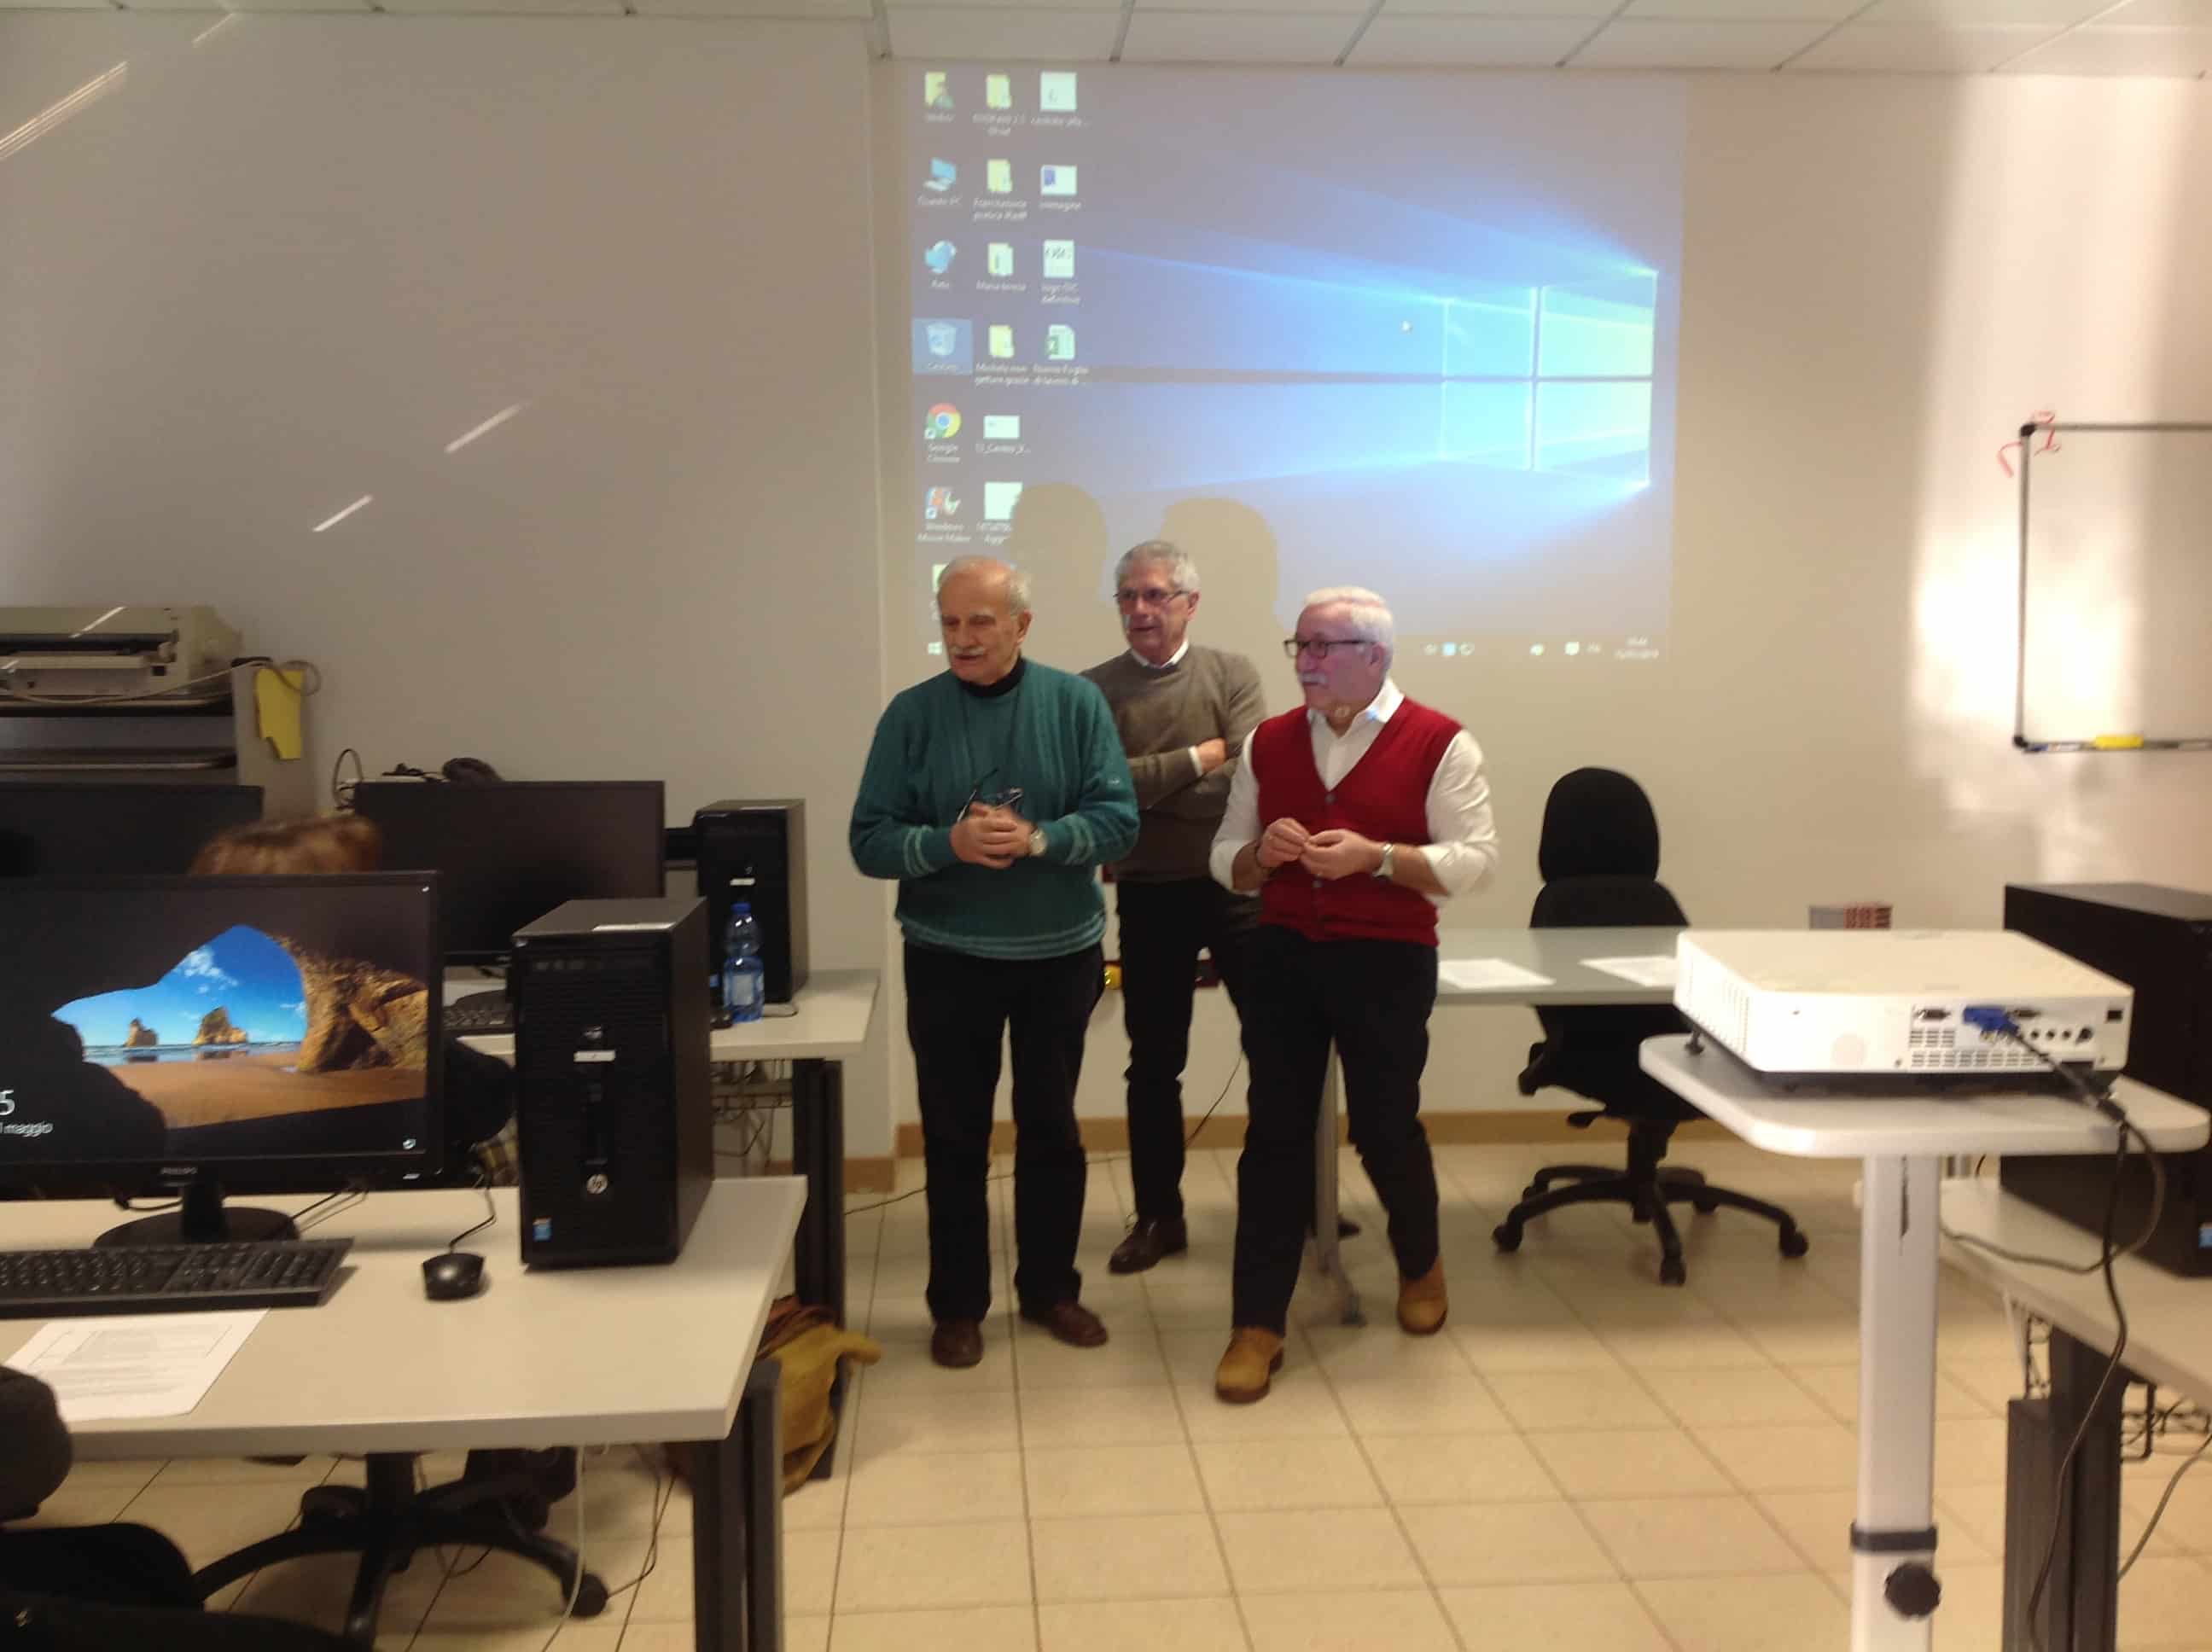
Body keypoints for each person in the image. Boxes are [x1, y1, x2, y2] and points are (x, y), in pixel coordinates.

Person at [1207, 587, 1499, 1403]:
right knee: (1275, 1136)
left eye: (1322, 646)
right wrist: (1259, 856)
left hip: (1387, 960)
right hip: (1283, 956)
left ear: (1375, 656)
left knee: (1384, 1127)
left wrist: (1379, 858)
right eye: (1299, 645)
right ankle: (1256, 1323)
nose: (1304, 661)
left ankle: (1421, 1264)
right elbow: (1224, 856)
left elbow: (1477, 863)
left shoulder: (1440, 742)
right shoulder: (1268, 742)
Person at [849, 556, 1138, 1370]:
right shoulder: (911, 715)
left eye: (981, 621)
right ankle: (957, 1307)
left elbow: (1119, 823)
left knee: (1051, 1129)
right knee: (953, 1136)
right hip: (947, 958)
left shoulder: (1075, 703)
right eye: (950, 622)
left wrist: (1041, 838)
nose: (963, 638)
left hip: (1059, 956)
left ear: (1021, 625)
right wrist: (949, 843)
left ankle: (1050, 1291)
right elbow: (869, 841)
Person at [1081, 541, 1265, 1272]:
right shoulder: (1092, 691)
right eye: (1128, 596)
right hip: (1149, 891)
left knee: (1277, 1048)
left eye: (1155, 595)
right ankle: (1159, 1215)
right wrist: (1197, 758)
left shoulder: (1232, 673)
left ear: (1190, 603)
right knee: (1154, 1063)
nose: (1140, 609)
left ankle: (1286, 1201)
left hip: (1238, 883)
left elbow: (1250, 775)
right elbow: (1103, 790)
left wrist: (1149, 791)